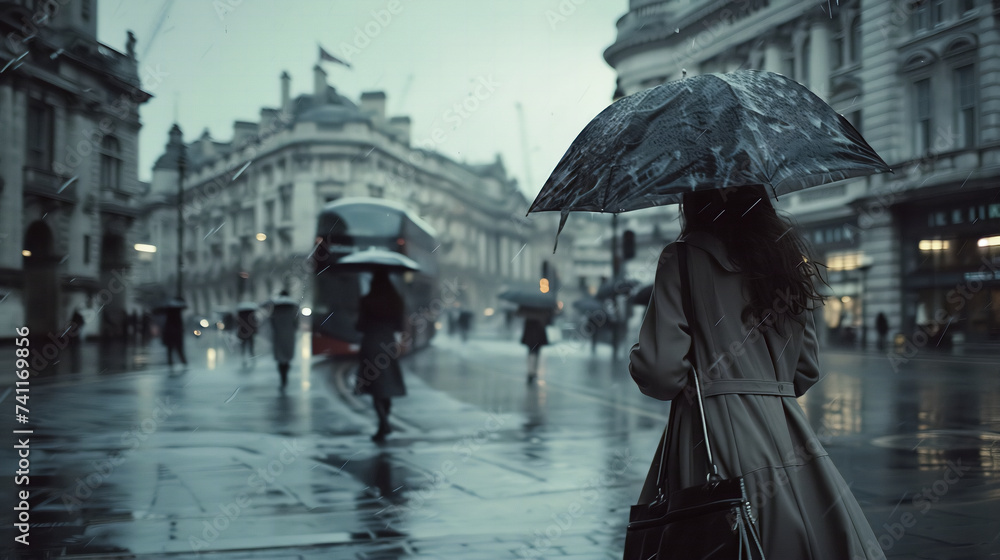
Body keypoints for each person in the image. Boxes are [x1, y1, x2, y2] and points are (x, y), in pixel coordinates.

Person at [628, 185, 883, 559]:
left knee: (715, 535)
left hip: (709, 434)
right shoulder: (787, 261)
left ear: (695, 203)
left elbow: (661, 373)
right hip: (785, 431)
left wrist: (640, 356)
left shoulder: (682, 258)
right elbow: (805, 371)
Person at [355, 271, 407, 442]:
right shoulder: (396, 301)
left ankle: (383, 424)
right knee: (387, 385)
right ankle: (384, 423)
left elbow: (360, 325)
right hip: (388, 344)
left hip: (371, 343)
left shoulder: (366, 300)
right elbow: (400, 325)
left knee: (376, 387)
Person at [270, 291, 299, 390]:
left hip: (278, 336)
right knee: (287, 357)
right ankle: (285, 376)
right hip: (289, 336)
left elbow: (272, 323)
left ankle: (282, 378)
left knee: (280, 358)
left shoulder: (275, 308)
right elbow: (296, 324)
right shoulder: (293, 308)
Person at [519, 306, 551, 383]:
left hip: (531, 334)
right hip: (538, 334)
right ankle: (533, 371)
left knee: (532, 352)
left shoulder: (528, 307)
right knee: (535, 353)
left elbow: (520, 314)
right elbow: (548, 321)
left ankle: (531, 371)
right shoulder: (542, 309)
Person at [162, 301, 187, 368]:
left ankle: (171, 362)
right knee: (179, 349)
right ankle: (183, 362)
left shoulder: (169, 314)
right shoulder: (177, 313)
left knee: (170, 350)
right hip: (176, 334)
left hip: (171, 333)